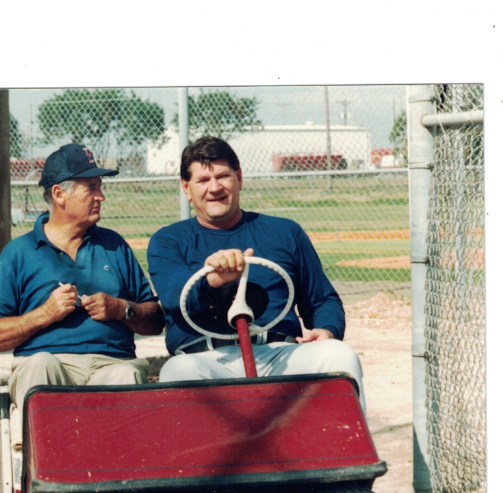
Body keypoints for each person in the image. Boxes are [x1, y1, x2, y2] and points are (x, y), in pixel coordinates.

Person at [147, 136, 366, 412]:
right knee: (177, 373)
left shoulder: (285, 232)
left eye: (223, 176)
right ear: (186, 187)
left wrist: (327, 330)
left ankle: (348, 455)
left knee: (339, 356)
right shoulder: (169, 240)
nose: (214, 188)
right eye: (203, 180)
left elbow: (323, 300)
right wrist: (212, 280)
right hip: (207, 359)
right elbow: (172, 296)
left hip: (280, 353)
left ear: (238, 177)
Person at [0, 143, 164, 417]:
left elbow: (156, 321)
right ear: (59, 194)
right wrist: (44, 314)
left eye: (100, 186)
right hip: (49, 363)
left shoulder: (114, 245)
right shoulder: (19, 253)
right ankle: (37, 458)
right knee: (40, 365)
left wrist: (121, 309)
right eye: (91, 187)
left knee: (125, 375)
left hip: (111, 363)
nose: (100, 196)